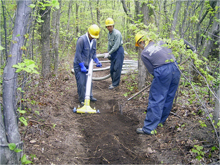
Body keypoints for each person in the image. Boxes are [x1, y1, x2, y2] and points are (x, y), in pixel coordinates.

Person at [134, 31, 196, 135]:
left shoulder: (144, 53)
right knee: (169, 96)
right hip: (175, 68)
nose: (140, 48)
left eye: (139, 45)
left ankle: (149, 128)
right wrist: (192, 48)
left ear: (141, 42)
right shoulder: (161, 42)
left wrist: (160, 77)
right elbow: (180, 41)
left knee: (156, 99)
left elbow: (152, 70)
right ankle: (160, 122)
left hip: (162, 71)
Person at [73, 24, 102, 105]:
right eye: (92, 36)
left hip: (88, 65)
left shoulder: (94, 41)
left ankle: (90, 96)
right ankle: (82, 99)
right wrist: (81, 65)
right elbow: (78, 54)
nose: (93, 37)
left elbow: (93, 53)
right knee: (81, 83)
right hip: (79, 65)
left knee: (89, 82)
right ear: (88, 32)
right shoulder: (81, 40)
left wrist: (97, 61)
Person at [104, 18, 124, 89]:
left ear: (113, 25)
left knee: (117, 68)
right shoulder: (109, 34)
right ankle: (113, 83)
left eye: (110, 26)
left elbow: (116, 45)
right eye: (108, 26)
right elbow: (109, 44)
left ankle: (116, 84)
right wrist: (108, 52)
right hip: (113, 52)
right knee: (112, 69)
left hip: (119, 51)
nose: (109, 27)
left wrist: (109, 52)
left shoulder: (117, 33)